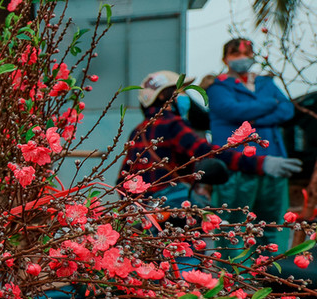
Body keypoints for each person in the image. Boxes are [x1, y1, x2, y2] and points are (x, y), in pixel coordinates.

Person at [120, 70, 301, 211]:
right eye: (179, 91)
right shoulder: (171, 124)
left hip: (140, 210)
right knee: (187, 258)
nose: (184, 97)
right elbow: (208, 153)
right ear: (162, 96)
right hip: (171, 208)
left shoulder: (138, 130)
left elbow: (124, 175)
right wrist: (261, 163)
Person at [206, 39, 299, 249]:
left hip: (273, 163)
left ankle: (272, 274)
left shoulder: (266, 83)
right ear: (225, 59)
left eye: (246, 53)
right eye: (236, 54)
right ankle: (235, 277)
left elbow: (287, 110)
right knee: (235, 226)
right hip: (238, 166)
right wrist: (269, 104)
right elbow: (232, 111)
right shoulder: (218, 86)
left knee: (273, 225)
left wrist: (253, 118)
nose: (242, 58)